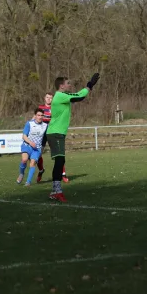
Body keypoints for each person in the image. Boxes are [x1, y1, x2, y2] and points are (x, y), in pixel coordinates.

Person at [46, 73, 100, 202]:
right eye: (67, 83)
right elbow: (79, 97)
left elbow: (77, 97)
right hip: (55, 133)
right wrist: (89, 85)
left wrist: (89, 87)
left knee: (60, 161)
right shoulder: (60, 96)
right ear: (61, 86)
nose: (70, 85)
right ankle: (57, 191)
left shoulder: (62, 96)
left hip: (57, 133)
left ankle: (55, 191)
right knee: (60, 161)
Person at [36, 93, 69, 183]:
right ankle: (41, 170)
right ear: (44, 98)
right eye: (47, 97)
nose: (49, 99)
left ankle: (63, 174)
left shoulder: (56, 107)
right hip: (42, 134)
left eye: (51, 98)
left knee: (58, 154)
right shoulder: (40, 108)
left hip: (52, 132)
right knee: (38, 154)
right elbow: (35, 119)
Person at [17, 108, 48, 187]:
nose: (40, 117)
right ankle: (21, 174)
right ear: (35, 116)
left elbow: (45, 139)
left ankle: (28, 182)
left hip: (37, 149)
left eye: (42, 115)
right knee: (24, 160)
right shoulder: (29, 123)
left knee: (33, 163)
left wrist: (42, 149)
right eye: (38, 115)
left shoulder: (45, 126)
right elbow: (24, 136)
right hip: (27, 145)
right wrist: (30, 142)